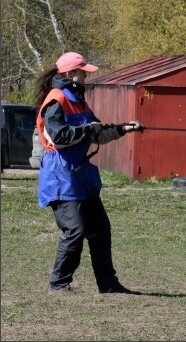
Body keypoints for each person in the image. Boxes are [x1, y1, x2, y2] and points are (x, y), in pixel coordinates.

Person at [34, 51, 144, 294]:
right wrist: (86, 129)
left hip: (81, 174)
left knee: (100, 229)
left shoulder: (78, 99)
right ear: (71, 73)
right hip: (61, 175)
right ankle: (59, 284)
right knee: (75, 230)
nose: (86, 75)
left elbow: (97, 133)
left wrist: (124, 128)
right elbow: (60, 137)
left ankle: (108, 284)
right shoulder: (56, 101)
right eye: (83, 71)